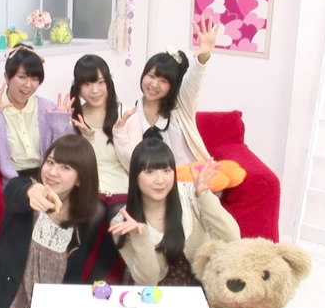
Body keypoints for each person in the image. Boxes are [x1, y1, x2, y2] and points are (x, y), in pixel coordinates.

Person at [0, 134, 99, 308]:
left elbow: (74, 271)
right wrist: (32, 191)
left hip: (52, 303)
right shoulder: (26, 193)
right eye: (51, 162)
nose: (53, 172)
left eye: (66, 167)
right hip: (15, 301)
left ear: (80, 179)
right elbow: (14, 191)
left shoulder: (81, 218)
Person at [109, 138, 240, 286]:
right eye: (149, 172)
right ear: (135, 176)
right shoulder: (123, 223)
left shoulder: (191, 195)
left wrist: (204, 197)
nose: (160, 180)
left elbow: (232, 238)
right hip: (158, 296)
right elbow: (148, 281)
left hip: (208, 290)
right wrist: (141, 237)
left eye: (166, 170)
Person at [113, 17, 218, 170]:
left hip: (192, 175)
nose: (154, 84)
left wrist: (203, 56)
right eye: (151, 76)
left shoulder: (182, 106)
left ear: (173, 85)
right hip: (155, 180)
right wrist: (119, 132)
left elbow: (194, 80)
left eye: (163, 81)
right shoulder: (130, 115)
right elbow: (130, 160)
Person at [0, 44, 74, 184]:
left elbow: (67, 156)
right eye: (22, 77)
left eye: (34, 79)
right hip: (14, 181)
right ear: (7, 77)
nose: (28, 85)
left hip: (48, 178)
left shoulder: (48, 108)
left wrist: (60, 126)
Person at [69, 54, 129, 282]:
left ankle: (101, 282)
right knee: (93, 213)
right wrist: (88, 139)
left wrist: (119, 134)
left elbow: (133, 163)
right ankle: (73, 278)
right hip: (90, 180)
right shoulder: (75, 116)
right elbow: (77, 161)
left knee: (118, 218)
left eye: (100, 82)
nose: (95, 90)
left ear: (108, 82)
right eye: (87, 84)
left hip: (122, 181)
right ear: (78, 87)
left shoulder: (125, 113)